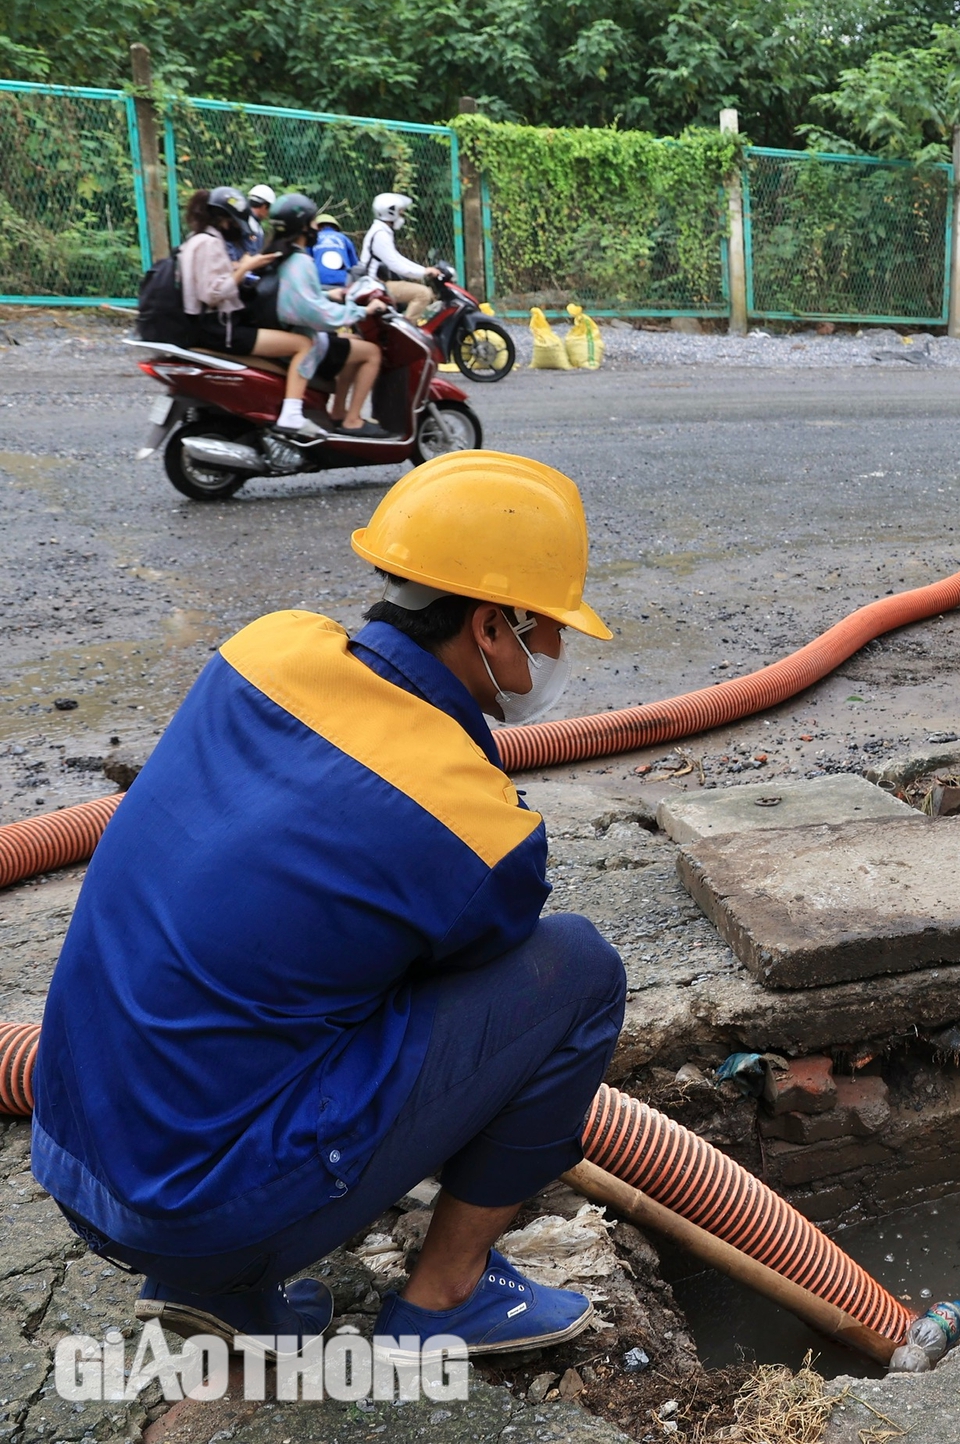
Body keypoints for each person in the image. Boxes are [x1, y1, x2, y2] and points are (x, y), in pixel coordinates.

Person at [32, 451, 624, 1360]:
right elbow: (475, 985)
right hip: (203, 1211)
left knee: (289, 969)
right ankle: (446, 1300)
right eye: (547, 632)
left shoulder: (262, 650)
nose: (554, 656)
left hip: (75, 1156)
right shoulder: (476, 827)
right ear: (490, 627)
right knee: (577, 970)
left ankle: (220, 1295)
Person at [265, 192, 393, 437]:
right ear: (303, 227)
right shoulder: (300, 261)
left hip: (292, 331)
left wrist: (328, 296)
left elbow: (294, 298)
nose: (316, 229)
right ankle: (353, 420)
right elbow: (315, 314)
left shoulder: (280, 255)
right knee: (372, 353)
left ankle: (337, 411)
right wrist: (362, 310)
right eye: (313, 223)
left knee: (354, 342)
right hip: (306, 337)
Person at [176, 185, 312, 384]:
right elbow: (212, 294)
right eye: (236, 223)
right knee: (303, 344)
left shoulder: (196, 238)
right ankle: (292, 412)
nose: (239, 228)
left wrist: (240, 265)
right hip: (218, 330)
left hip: (204, 327)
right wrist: (247, 267)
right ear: (226, 221)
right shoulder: (210, 243)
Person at [358, 193, 441, 321]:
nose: (402, 215)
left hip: (376, 284)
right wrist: (423, 272)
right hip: (373, 286)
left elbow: (398, 258)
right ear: (391, 212)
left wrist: (424, 270)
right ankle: (408, 334)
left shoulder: (382, 231)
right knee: (423, 293)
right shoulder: (380, 234)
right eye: (400, 212)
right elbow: (396, 265)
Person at [311, 212, 357, 295]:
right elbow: (354, 264)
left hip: (319, 282)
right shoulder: (344, 238)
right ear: (335, 227)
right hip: (342, 283)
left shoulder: (312, 239)